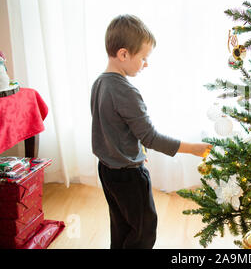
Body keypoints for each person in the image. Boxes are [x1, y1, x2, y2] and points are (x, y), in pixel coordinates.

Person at [91, 14, 212, 249]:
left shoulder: (100, 83)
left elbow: (111, 127)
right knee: (144, 230)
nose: (146, 64)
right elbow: (151, 136)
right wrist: (192, 149)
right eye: (144, 58)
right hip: (129, 175)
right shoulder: (126, 92)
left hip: (107, 170)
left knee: (121, 224)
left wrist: (135, 148)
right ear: (124, 54)